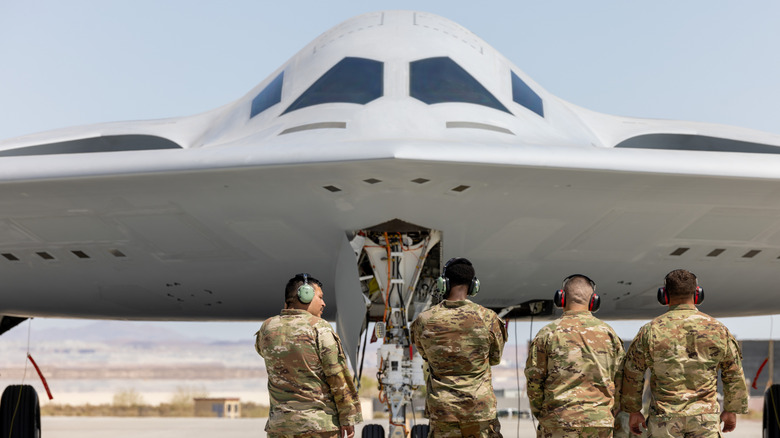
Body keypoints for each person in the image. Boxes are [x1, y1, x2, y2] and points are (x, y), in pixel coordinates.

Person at [621, 269, 748, 437]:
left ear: (664, 295)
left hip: (664, 420)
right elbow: (734, 373)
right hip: (705, 419)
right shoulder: (718, 330)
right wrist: (732, 410)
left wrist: (633, 411)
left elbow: (633, 373)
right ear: (698, 294)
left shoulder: (650, 331)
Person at [255, 273, 362, 438]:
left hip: (280, 427)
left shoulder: (267, 327)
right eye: (320, 297)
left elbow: (263, 352)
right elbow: (336, 375)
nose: (324, 303)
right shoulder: (320, 328)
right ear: (305, 295)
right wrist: (348, 416)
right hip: (319, 427)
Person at [411, 257, 507, 438]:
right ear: (473, 286)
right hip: (479, 411)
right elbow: (495, 358)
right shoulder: (488, 318)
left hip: (442, 412)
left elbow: (425, 355)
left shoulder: (424, 320)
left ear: (443, 284)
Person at [525, 274, 625, 438]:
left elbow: (534, 381)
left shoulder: (547, 334)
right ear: (594, 301)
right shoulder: (609, 334)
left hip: (558, 421)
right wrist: (608, 413)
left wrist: (544, 414)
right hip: (599, 422)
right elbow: (621, 379)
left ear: (561, 298)